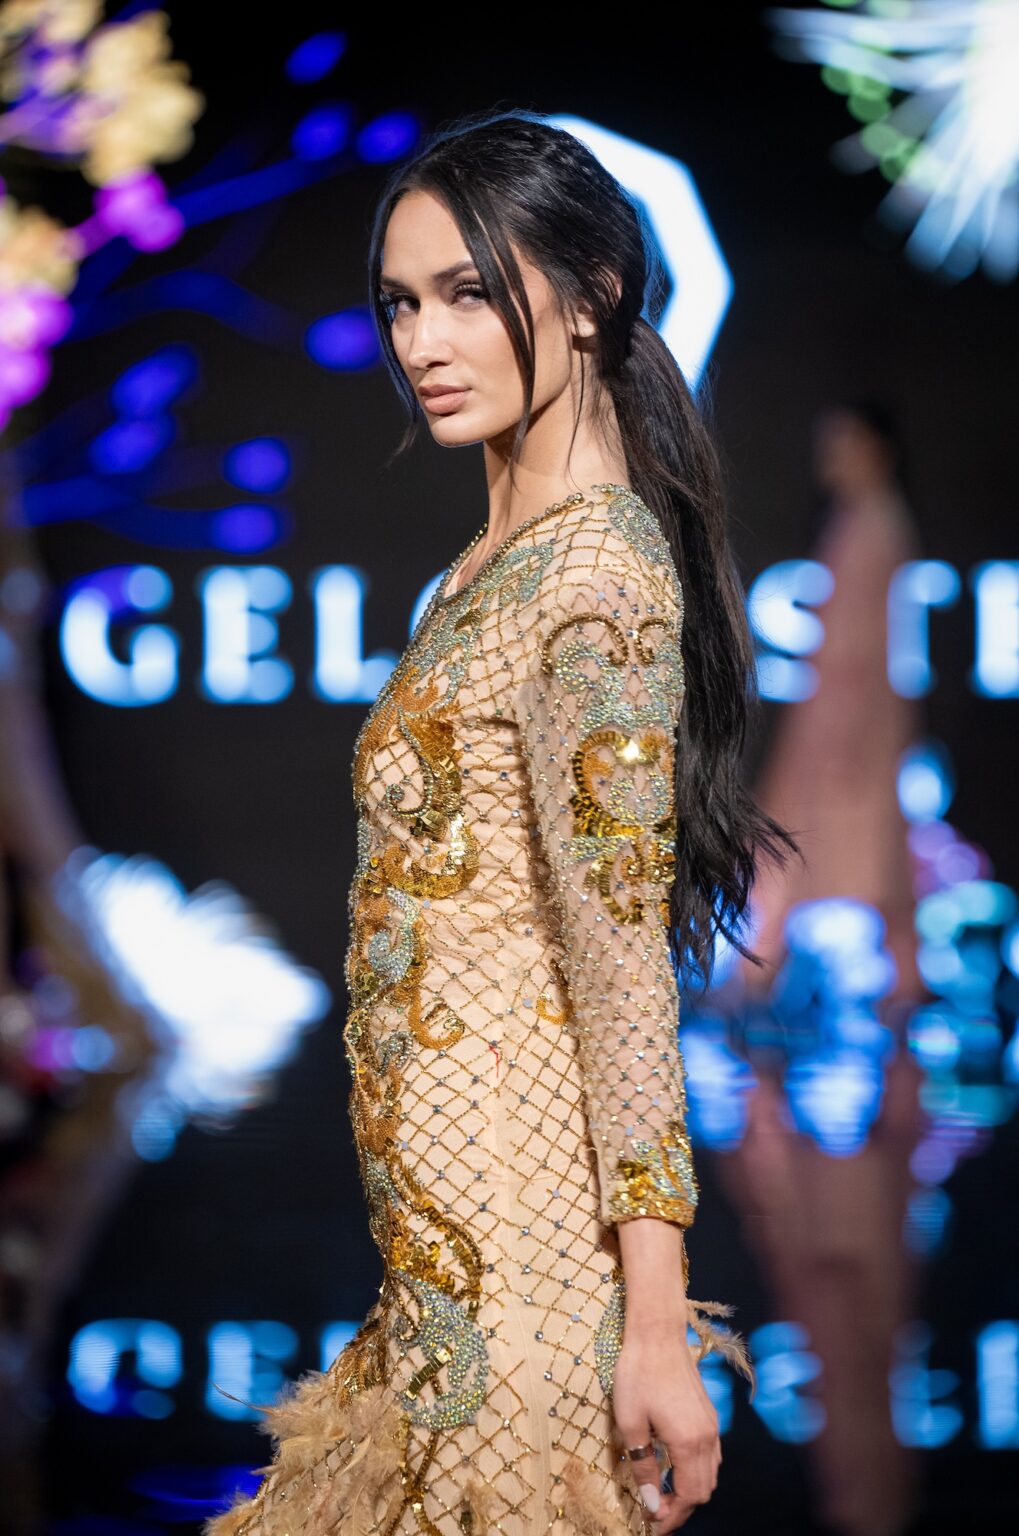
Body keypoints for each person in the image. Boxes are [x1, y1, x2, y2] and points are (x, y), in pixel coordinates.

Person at [203, 107, 798, 1536]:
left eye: (472, 293)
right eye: (403, 301)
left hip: (524, 1298)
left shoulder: (593, 578)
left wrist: (655, 1327)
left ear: (593, 295)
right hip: (441, 1276)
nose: (423, 340)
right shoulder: (496, 564)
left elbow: (620, 971)